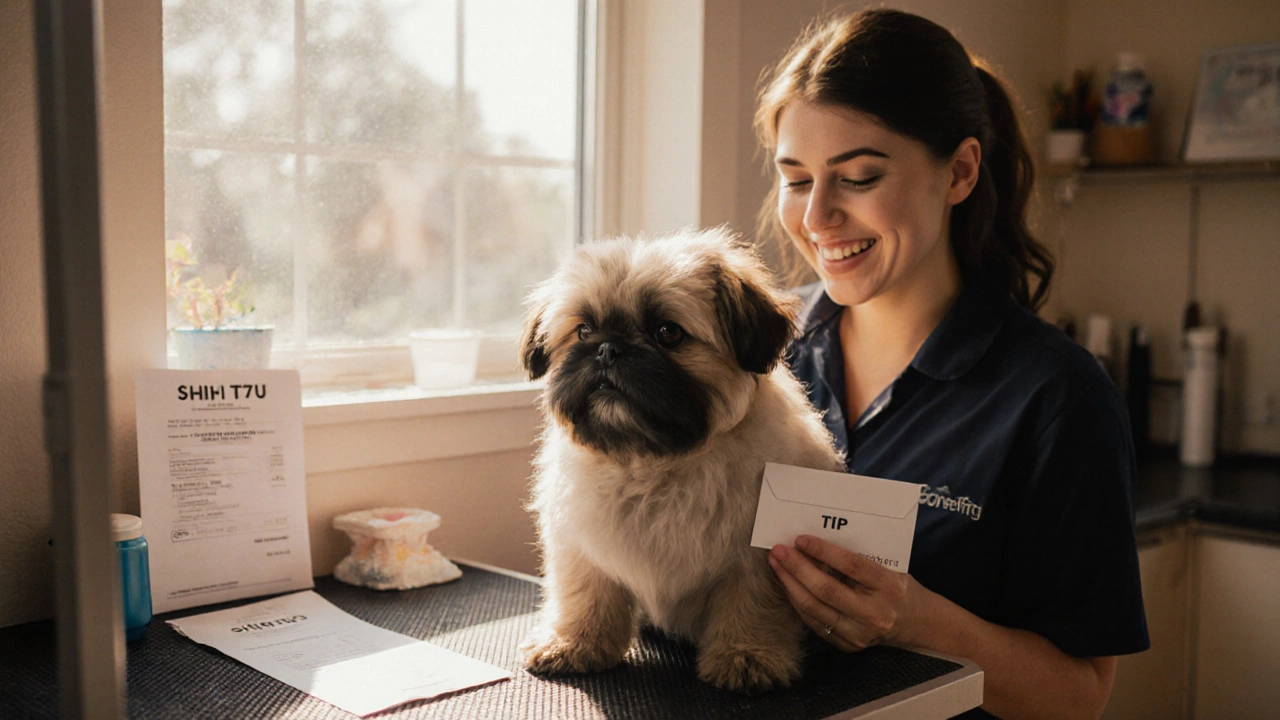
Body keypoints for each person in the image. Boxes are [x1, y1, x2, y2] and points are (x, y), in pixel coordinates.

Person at [754, 9, 1149, 720]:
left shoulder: (1056, 397)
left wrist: (918, 621)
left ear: (960, 172)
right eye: (797, 180)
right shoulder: (760, 350)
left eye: (859, 177)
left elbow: (1080, 696)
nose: (816, 218)